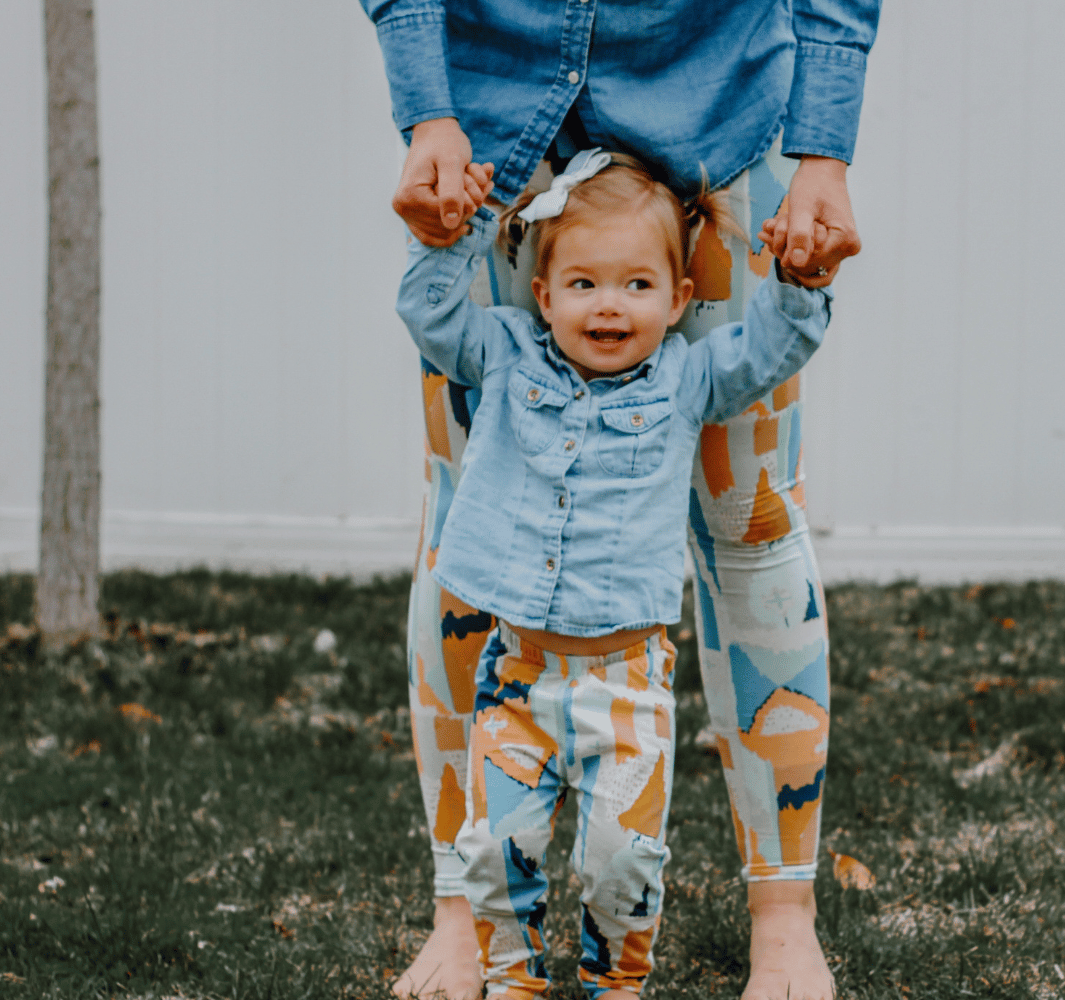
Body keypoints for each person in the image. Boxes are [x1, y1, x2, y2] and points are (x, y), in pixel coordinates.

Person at [357, 3, 882, 998]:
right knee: (465, 519)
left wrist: (823, 145)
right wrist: (428, 109)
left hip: (723, 112)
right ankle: (463, 915)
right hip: (486, 137)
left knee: (753, 521)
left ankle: (784, 918)